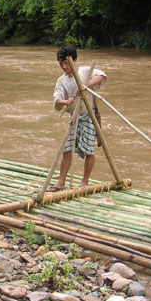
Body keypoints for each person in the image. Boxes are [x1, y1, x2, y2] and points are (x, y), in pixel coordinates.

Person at [49, 46, 107, 192]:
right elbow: (57, 99)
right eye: (61, 64)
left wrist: (86, 85)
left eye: (67, 63)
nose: (64, 67)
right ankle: (61, 182)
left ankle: (84, 182)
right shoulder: (61, 81)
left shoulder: (85, 72)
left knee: (89, 150)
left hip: (89, 116)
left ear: (75, 60)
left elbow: (102, 76)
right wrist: (65, 102)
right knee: (67, 148)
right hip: (75, 116)